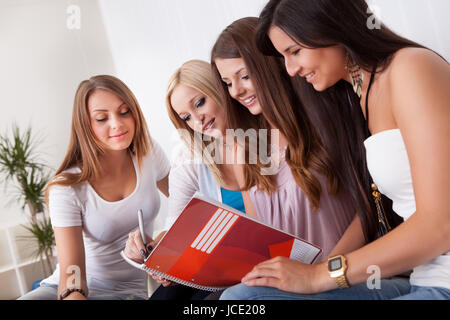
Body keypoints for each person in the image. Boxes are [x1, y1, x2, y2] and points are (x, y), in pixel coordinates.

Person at [221, 0, 450, 300]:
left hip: (442, 280)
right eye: (283, 57)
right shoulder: (357, 96)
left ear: (331, 27)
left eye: (294, 52)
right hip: (422, 275)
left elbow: (440, 225)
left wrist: (319, 276)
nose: (290, 70)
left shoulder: (410, 66)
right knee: (242, 299)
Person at [211, 17, 361, 262]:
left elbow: (369, 210)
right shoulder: (246, 145)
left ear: (269, 67)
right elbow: (258, 237)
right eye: (228, 83)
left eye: (245, 76)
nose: (236, 91)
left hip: (341, 274)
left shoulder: (325, 117)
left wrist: (319, 277)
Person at [18, 75, 170, 300]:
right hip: (71, 291)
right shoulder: (66, 187)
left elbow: (188, 207)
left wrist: (164, 240)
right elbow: (72, 273)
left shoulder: (147, 152)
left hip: (125, 294)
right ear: (85, 125)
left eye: (124, 111)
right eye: (101, 118)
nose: (117, 123)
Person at [124, 60, 257, 300]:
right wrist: (158, 251)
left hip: (255, 263)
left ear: (220, 88)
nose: (198, 120)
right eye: (186, 117)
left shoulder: (266, 143)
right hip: (213, 263)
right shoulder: (190, 159)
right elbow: (177, 227)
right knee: (164, 297)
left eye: (200, 102)